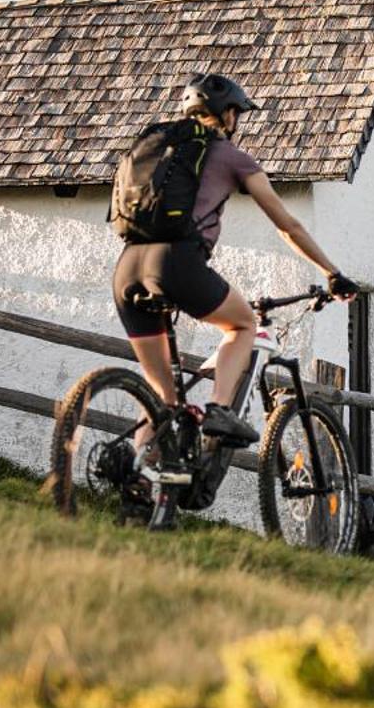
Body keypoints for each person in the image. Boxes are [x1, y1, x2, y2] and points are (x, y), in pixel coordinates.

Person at [111, 72, 357, 445]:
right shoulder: (230, 156)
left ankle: (138, 476)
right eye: (236, 113)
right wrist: (332, 272)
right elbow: (287, 223)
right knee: (242, 325)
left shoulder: (155, 145)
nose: (236, 121)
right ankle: (221, 410)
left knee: (162, 398)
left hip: (127, 268)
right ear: (225, 113)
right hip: (175, 264)